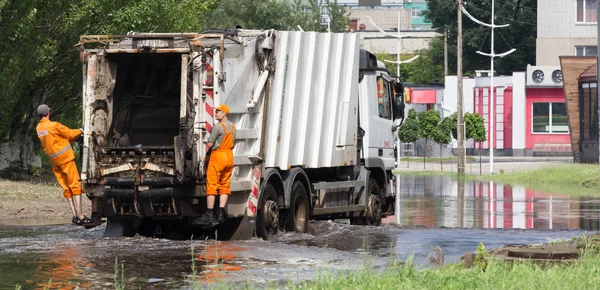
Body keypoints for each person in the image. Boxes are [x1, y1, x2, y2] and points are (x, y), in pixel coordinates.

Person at [36, 104, 91, 225]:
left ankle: (75, 216)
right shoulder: (54, 125)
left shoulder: (39, 129)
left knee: (66, 188)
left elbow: (57, 140)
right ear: (48, 113)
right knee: (75, 186)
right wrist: (82, 130)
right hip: (65, 160)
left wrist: (74, 139)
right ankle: (81, 216)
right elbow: (70, 134)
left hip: (55, 163)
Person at [193, 104, 236, 228]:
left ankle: (210, 214)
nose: (215, 113)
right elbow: (233, 142)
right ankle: (221, 212)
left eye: (218, 112)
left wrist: (203, 156)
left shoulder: (217, 127)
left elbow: (210, 144)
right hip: (229, 156)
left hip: (218, 156)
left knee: (212, 184)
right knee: (224, 184)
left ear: (224, 114)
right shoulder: (233, 127)